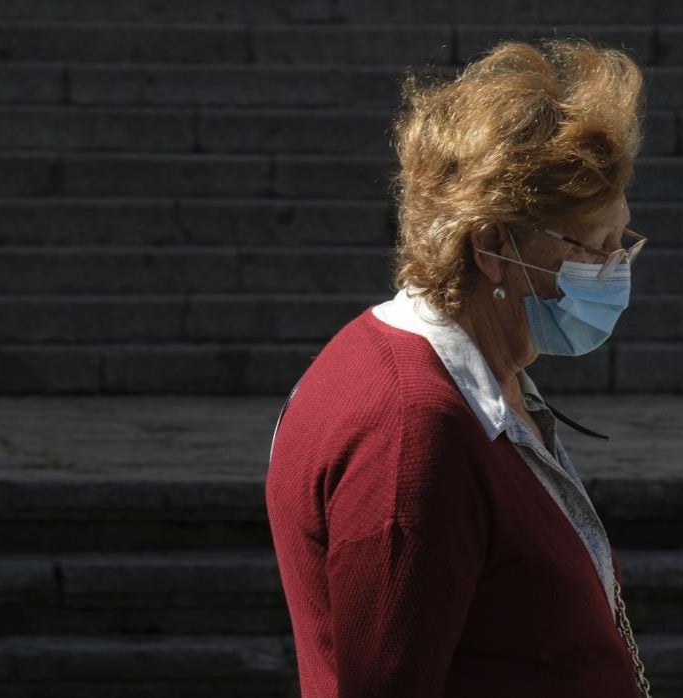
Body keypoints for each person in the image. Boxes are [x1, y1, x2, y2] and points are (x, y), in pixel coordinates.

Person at [264, 37, 652, 697]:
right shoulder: (414, 430)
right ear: (492, 245)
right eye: (593, 249)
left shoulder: (477, 380)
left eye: (624, 243)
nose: (614, 271)